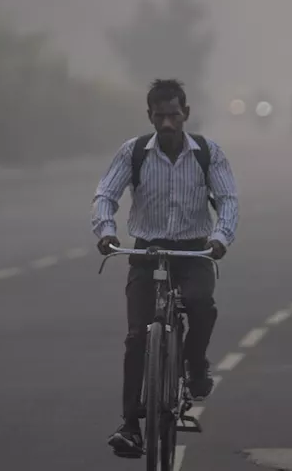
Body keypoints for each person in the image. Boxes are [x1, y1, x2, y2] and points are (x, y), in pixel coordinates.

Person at [92, 78, 240, 456]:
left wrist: (220, 237)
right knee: (136, 338)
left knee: (201, 305)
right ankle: (129, 425)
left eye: (174, 115)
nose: (168, 124)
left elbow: (228, 199)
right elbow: (106, 194)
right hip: (147, 252)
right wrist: (107, 231)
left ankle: (194, 365)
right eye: (160, 116)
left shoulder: (208, 153)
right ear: (150, 117)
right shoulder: (134, 153)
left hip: (195, 252)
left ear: (186, 114)